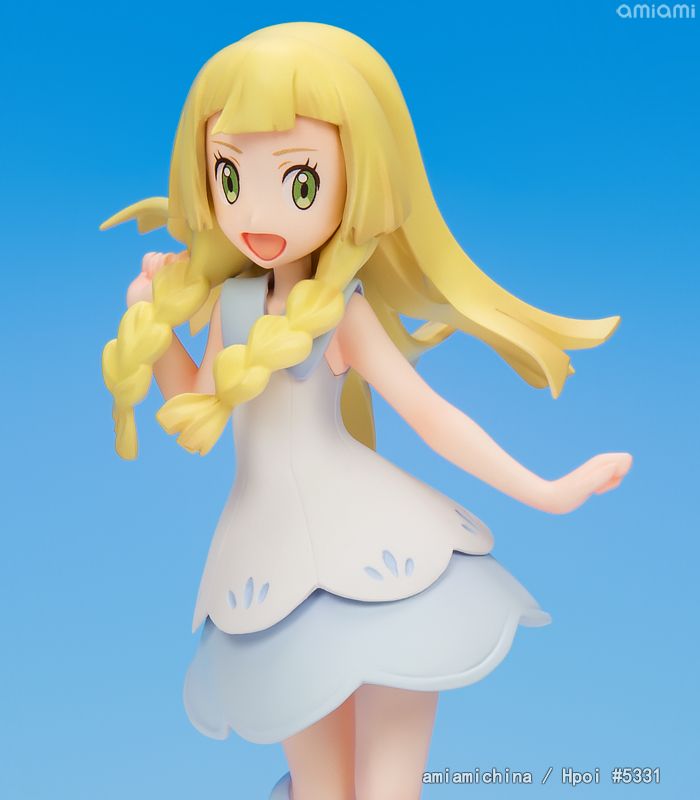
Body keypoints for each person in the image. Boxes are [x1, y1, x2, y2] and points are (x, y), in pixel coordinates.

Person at [100, 22, 632, 800]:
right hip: (267, 567)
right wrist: (149, 329)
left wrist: (546, 491)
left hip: (385, 555)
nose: (258, 212)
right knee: (320, 788)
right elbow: (196, 412)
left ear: (358, 183)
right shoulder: (235, 306)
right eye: (230, 176)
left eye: (299, 182)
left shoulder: (341, 314)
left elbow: (432, 416)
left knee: (389, 787)